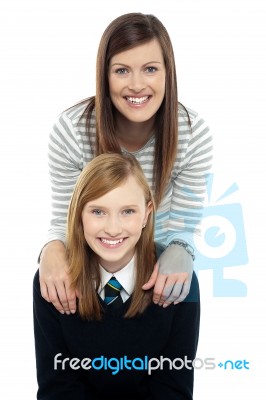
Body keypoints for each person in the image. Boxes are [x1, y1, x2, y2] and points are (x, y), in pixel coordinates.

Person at [39, 12, 212, 315]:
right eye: (121, 70)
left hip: (152, 268)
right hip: (92, 266)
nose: (136, 85)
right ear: (104, 76)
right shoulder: (72, 130)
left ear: (167, 73)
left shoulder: (191, 134)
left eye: (150, 69)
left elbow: (183, 226)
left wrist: (181, 250)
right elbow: (65, 220)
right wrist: (50, 249)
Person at [33, 153, 200, 400]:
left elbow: (173, 386)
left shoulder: (179, 280)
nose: (112, 228)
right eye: (98, 212)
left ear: (146, 213)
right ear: (79, 213)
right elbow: (58, 385)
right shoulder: (53, 279)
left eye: (128, 211)